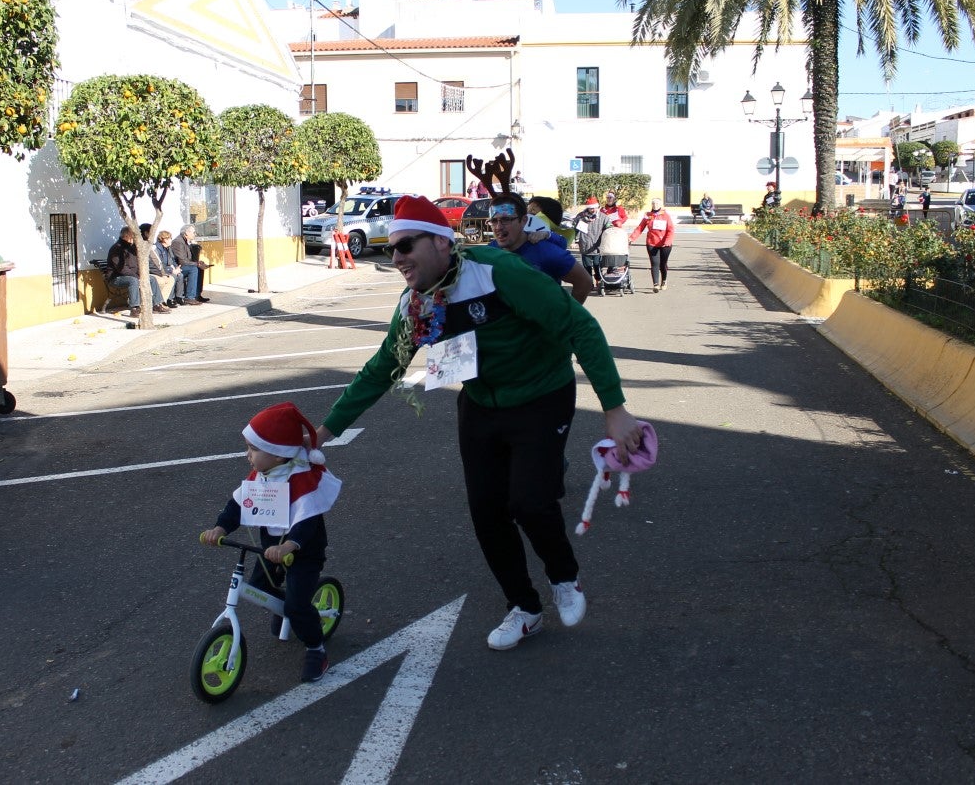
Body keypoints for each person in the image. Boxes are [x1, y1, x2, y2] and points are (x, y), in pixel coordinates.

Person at [315, 195, 644, 651]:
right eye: (392, 249)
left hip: (541, 395)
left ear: (441, 243)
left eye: (406, 245)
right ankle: (524, 608)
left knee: (531, 502)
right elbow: (381, 368)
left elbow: (579, 327)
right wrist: (323, 433)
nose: (397, 258)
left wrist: (615, 408)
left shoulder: (498, 271)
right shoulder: (416, 304)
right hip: (481, 405)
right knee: (487, 512)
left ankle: (564, 577)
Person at [201, 402, 341, 683]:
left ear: (278, 455)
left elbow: (307, 521)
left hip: (302, 552)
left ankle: (316, 648)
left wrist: (290, 545)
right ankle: (287, 608)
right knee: (258, 587)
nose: (247, 455)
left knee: (297, 606)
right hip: (270, 547)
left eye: (254, 449)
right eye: (248, 448)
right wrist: (220, 527)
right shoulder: (262, 476)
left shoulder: (301, 480)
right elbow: (239, 504)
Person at [488, 192, 593, 305]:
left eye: (506, 220)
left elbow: (584, 282)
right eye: (494, 221)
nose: (498, 227)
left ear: (524, 220)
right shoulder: (488, 252)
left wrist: (567, 317)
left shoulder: (546, 251)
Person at [105, 226, 169, 315]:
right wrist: (137, 277)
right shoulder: (117, 248)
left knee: (152, 279)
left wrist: (142, 275)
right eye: (132, 235)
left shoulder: (132, 248)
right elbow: (122, 269)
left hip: (132, 276)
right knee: (133, 281)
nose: (134, 237)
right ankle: (134, 308)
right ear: (126, 236)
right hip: (116, 278)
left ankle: (157, 304)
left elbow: (138, 264)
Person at [628, 197, 676, 293]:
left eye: (657, 203)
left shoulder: (666, 216)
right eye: (653, 203)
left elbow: (671, 230)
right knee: (655, 264)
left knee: (663, 264)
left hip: (665, 245)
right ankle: (656, 284)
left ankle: (664, 281)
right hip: (652, 243)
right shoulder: (648, 216)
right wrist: (631, 238)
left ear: (660, 205)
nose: (655, 205)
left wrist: (667, 242)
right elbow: (640, 228)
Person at [157, 230, 201, 307]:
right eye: (169, 239)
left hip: (175, 267)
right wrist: (173, 269)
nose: (171, 240)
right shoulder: (177, 243)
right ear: (164, 239)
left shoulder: (168, 248)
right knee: (189, 270)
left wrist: (176, 267)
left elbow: (172, 260)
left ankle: (180, 297)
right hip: (164, 269)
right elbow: (160, 263)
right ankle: (170, 299)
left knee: (181, 274)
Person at [169, 224, 209, 303]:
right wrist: (196, 264)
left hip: (185, 265)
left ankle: (197, 294)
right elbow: (182, 261)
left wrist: (198, 263)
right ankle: (190, 297)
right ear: (186, 233)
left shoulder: (185, 241)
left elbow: (188, 258)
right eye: (193, 232)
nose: (195, 234)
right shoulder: (178, 242)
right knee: (194, 269)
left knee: (199, 269)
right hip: (178, 267)